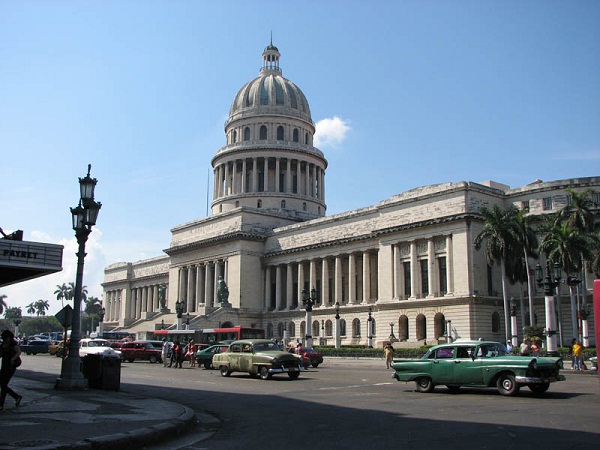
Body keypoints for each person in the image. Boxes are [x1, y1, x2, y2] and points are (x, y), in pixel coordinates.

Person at [1, 330, 23, 411]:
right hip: (4, 366)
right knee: (3, 385)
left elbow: (18, 352)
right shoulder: (3, 344)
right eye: (4, 338)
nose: (6, 339)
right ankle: (16, 397)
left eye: (7, 337)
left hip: (10, 367)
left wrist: (13, 359)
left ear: (9, 337)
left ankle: (1, 404)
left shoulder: (13, 344)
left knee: (3, 385)